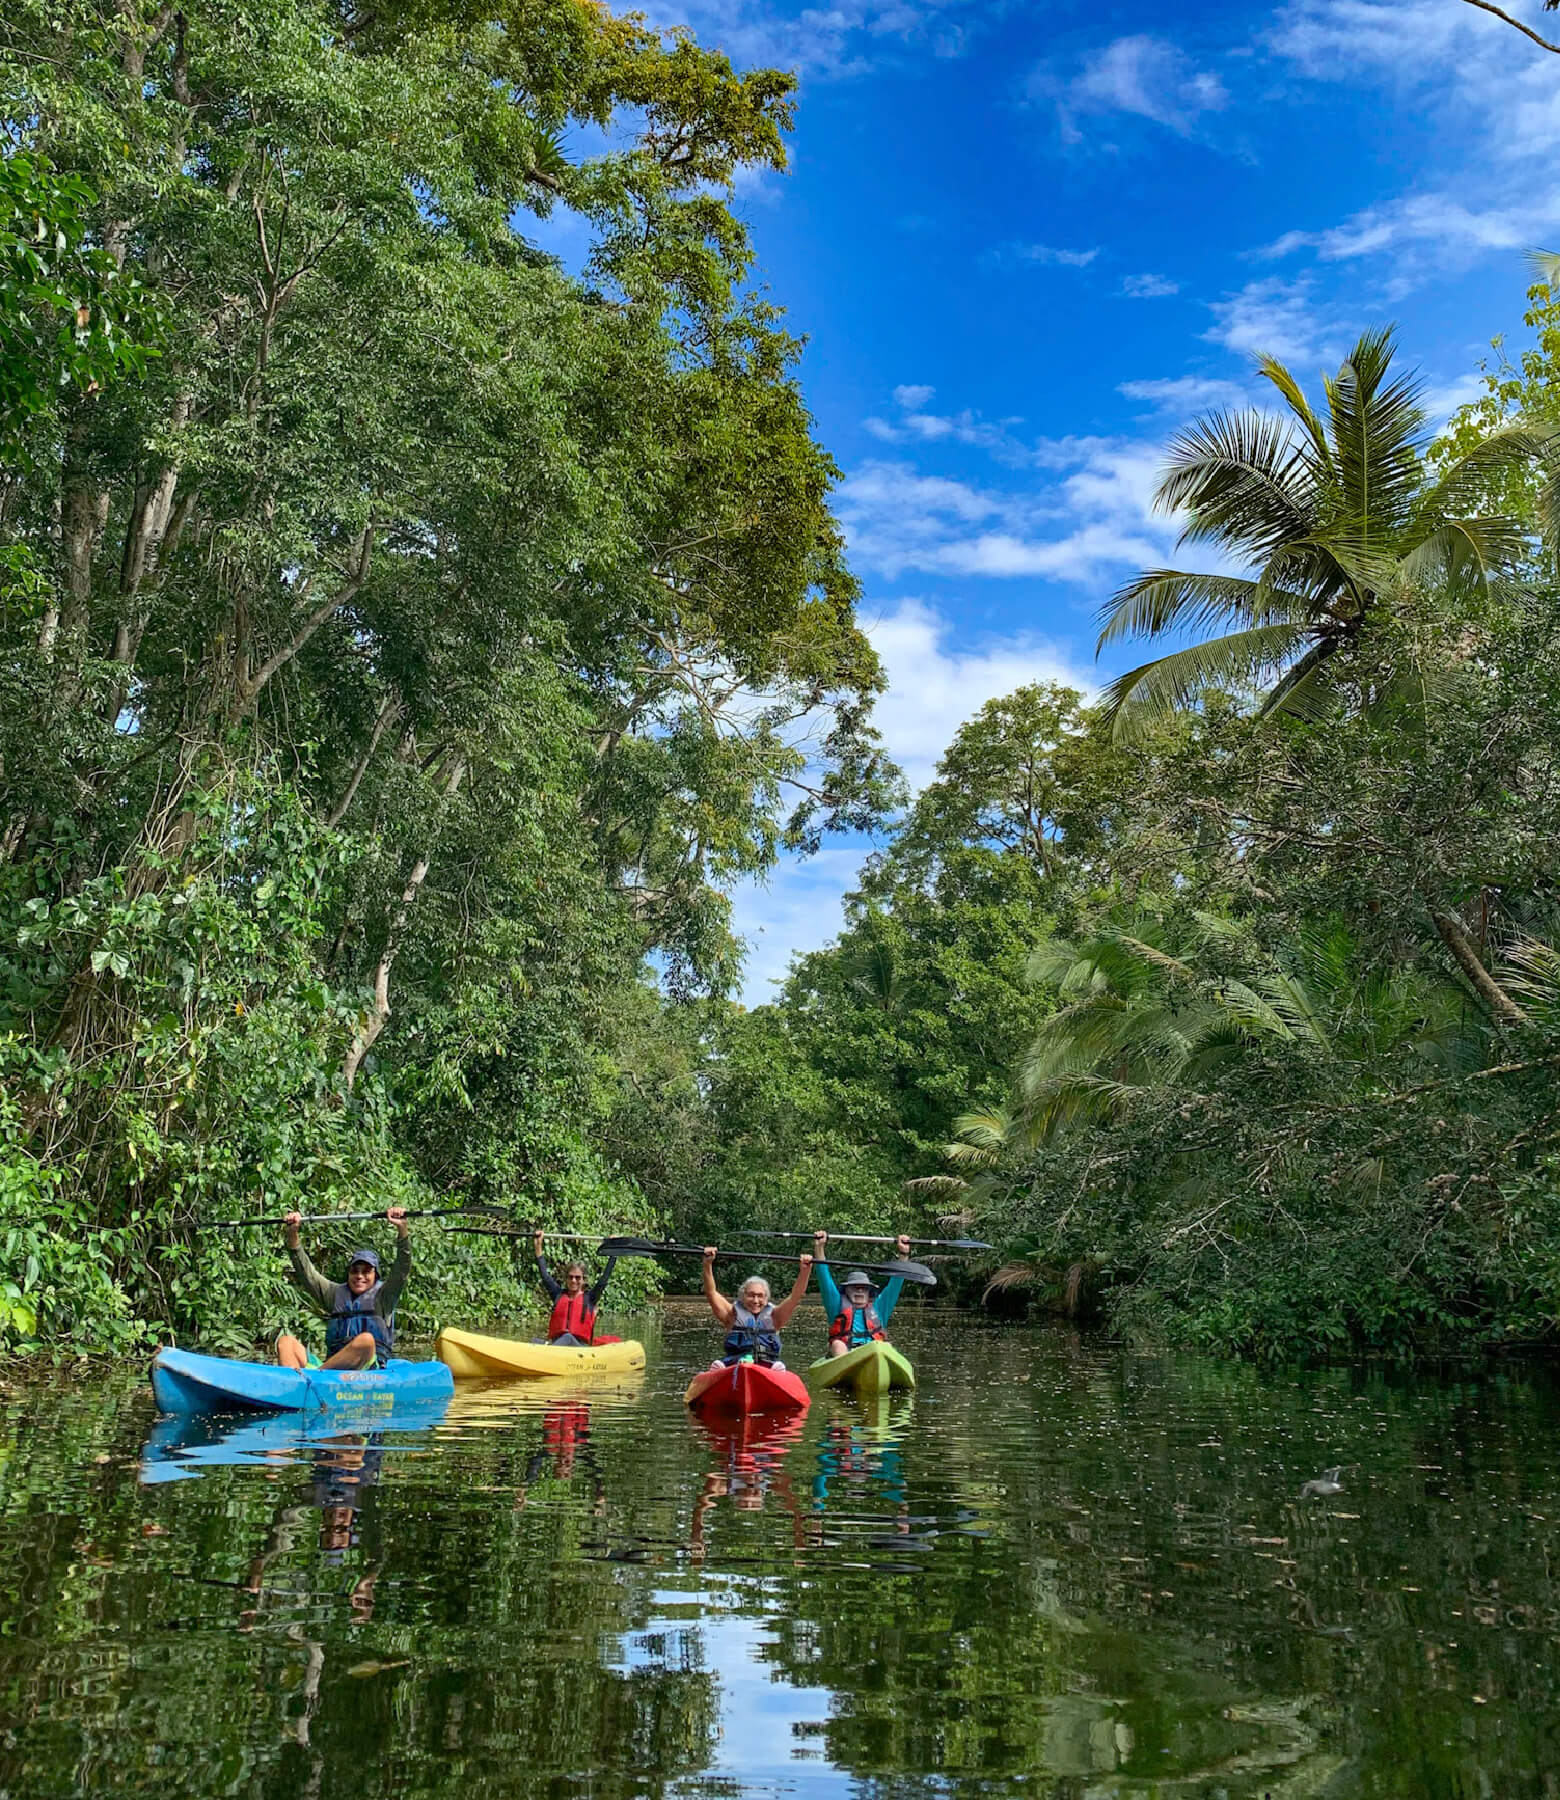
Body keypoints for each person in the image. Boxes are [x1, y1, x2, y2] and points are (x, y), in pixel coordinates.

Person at [276, 1207, 410, 1371]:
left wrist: (402, 1229)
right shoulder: (334, 1294)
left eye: (366, 1271)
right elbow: (307, 1274)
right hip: (332, 1366)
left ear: (376, 1275)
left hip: (368, 1368)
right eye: (354, 1271)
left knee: (366, 1341)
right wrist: (293, 1235)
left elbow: (402, 1269)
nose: (359, 1276)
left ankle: (317, 1376)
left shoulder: (385, 1296)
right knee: (286, 1342)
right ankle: (293, 1385)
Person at [700, 1247, 813, 1368]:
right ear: (742, 1296)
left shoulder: (775, 1316)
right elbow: (711, 1292)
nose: (755, 1301)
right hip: (735, 1361)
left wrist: (805, 1271)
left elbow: (796, 1295)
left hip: (768, 1363)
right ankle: (721, 1372)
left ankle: (776, 1374)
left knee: (778, 1366)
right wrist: (707, 1264)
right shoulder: (731, 1314)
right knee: (721, 1364)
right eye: (751, 1295)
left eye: (760, 1296)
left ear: (766, 1298)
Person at [813, 1229, 913, 1357]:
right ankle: (847, 1371)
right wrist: (819, 1247)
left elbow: (896, 1283)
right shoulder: (836, 1304)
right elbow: (824, 1277)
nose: (859, 1290)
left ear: (869, 1292)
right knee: (837, 1345)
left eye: (864, 1288)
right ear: (847, 1291)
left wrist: (903, 1253)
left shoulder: (880, 1307)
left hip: (872, 1353)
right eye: (855, 1287)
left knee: (886, 1345)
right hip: (845, 1352)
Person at [532, 1230, 622, 1346]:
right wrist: (538, 1246)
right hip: (558, 1346)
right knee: (534, 1341)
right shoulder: (558, 1295)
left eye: (577, 1278)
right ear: (566, 1279)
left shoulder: (590, 1298)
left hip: (579, 1349)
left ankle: (548, 1349)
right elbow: (545, 1275)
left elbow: (603, 1280)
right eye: (570, 1277)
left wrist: (613, 1253)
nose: (573, 1281)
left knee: (568, 1337)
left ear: (583, 1279)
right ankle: (548, 1350)